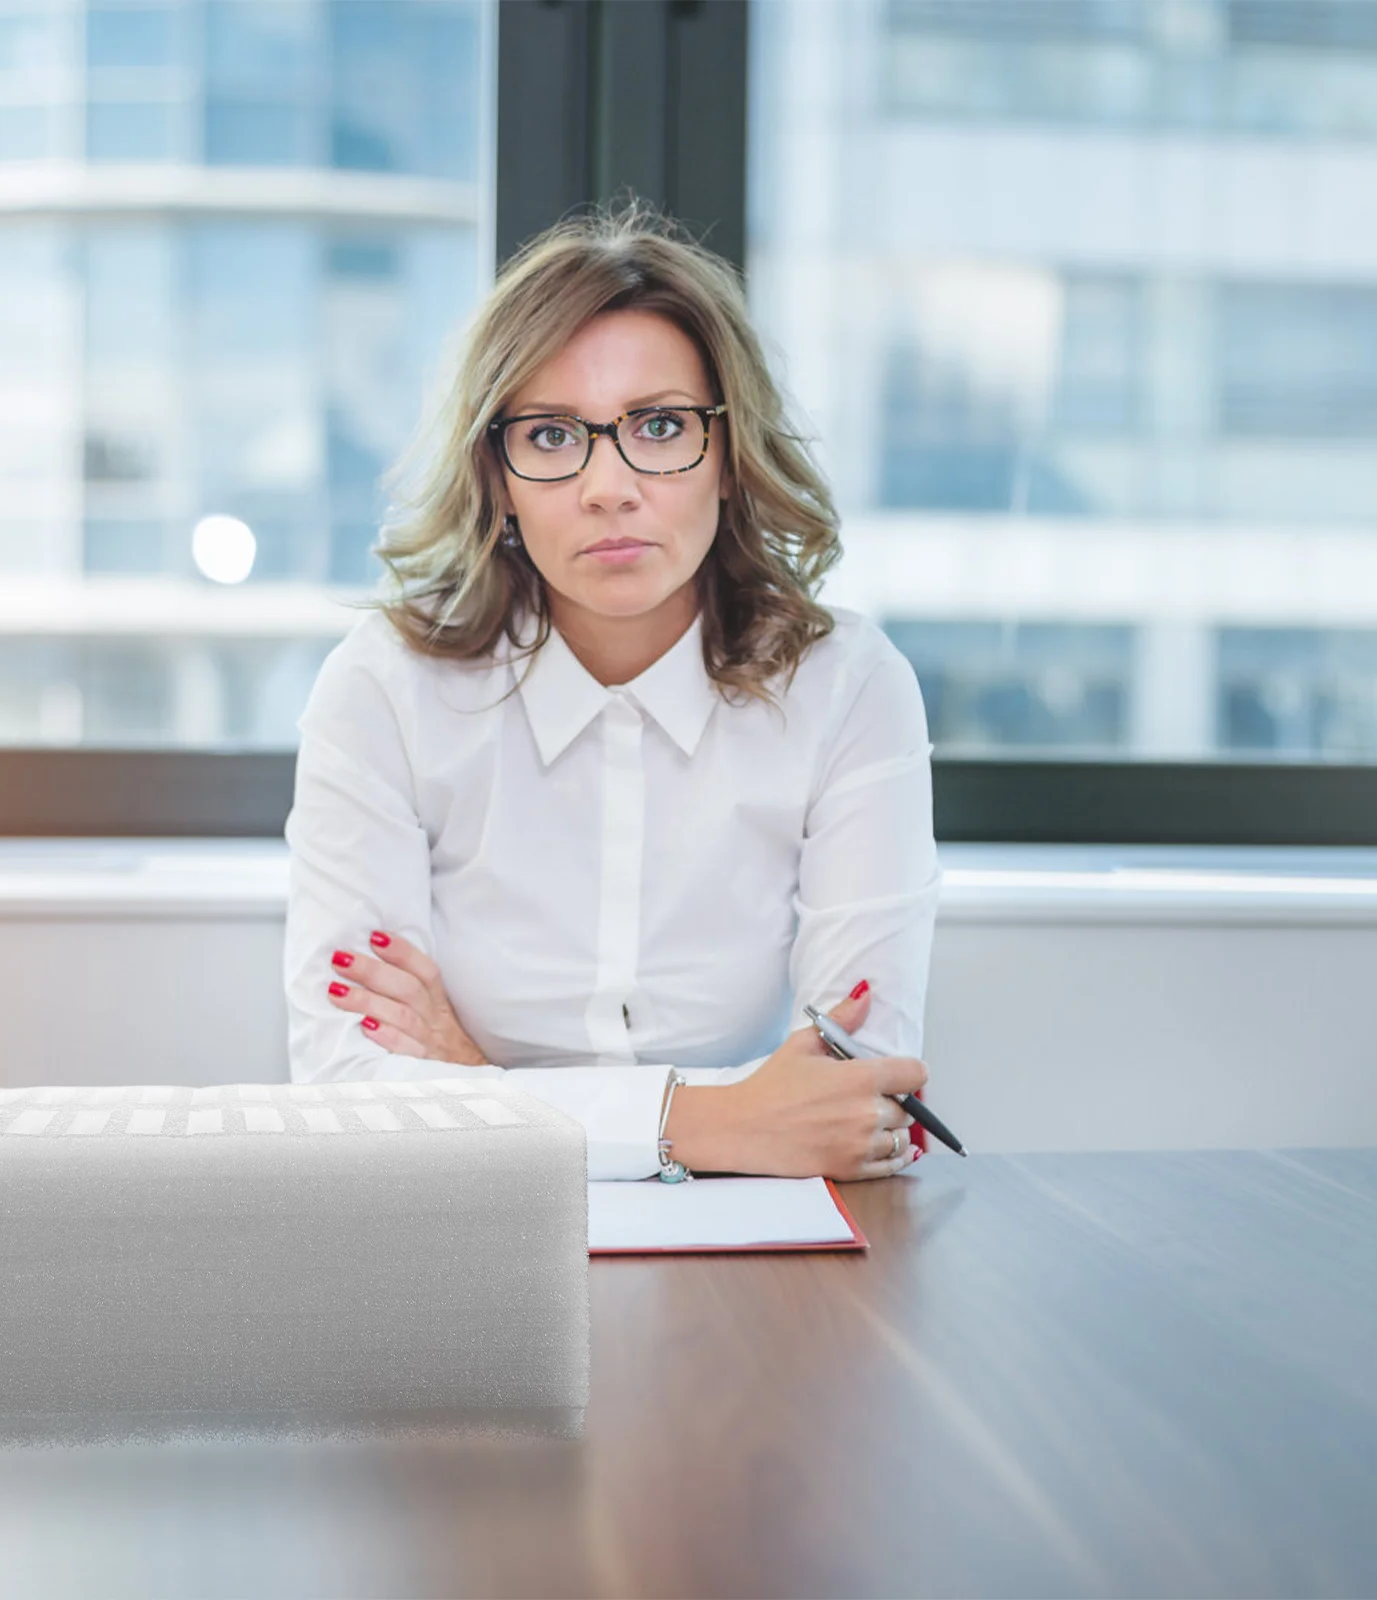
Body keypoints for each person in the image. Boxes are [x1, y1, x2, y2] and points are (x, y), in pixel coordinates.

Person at [284, 203, 939, 1183]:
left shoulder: (848, 687)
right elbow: (343, 1087)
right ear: (498, 475)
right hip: (467, 1239)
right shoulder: (383, 687)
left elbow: (855, 1090)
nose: (608, 485)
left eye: (661, 426)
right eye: (551, 436)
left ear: (729, 455)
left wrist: (474, 1079)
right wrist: (706, 1122)